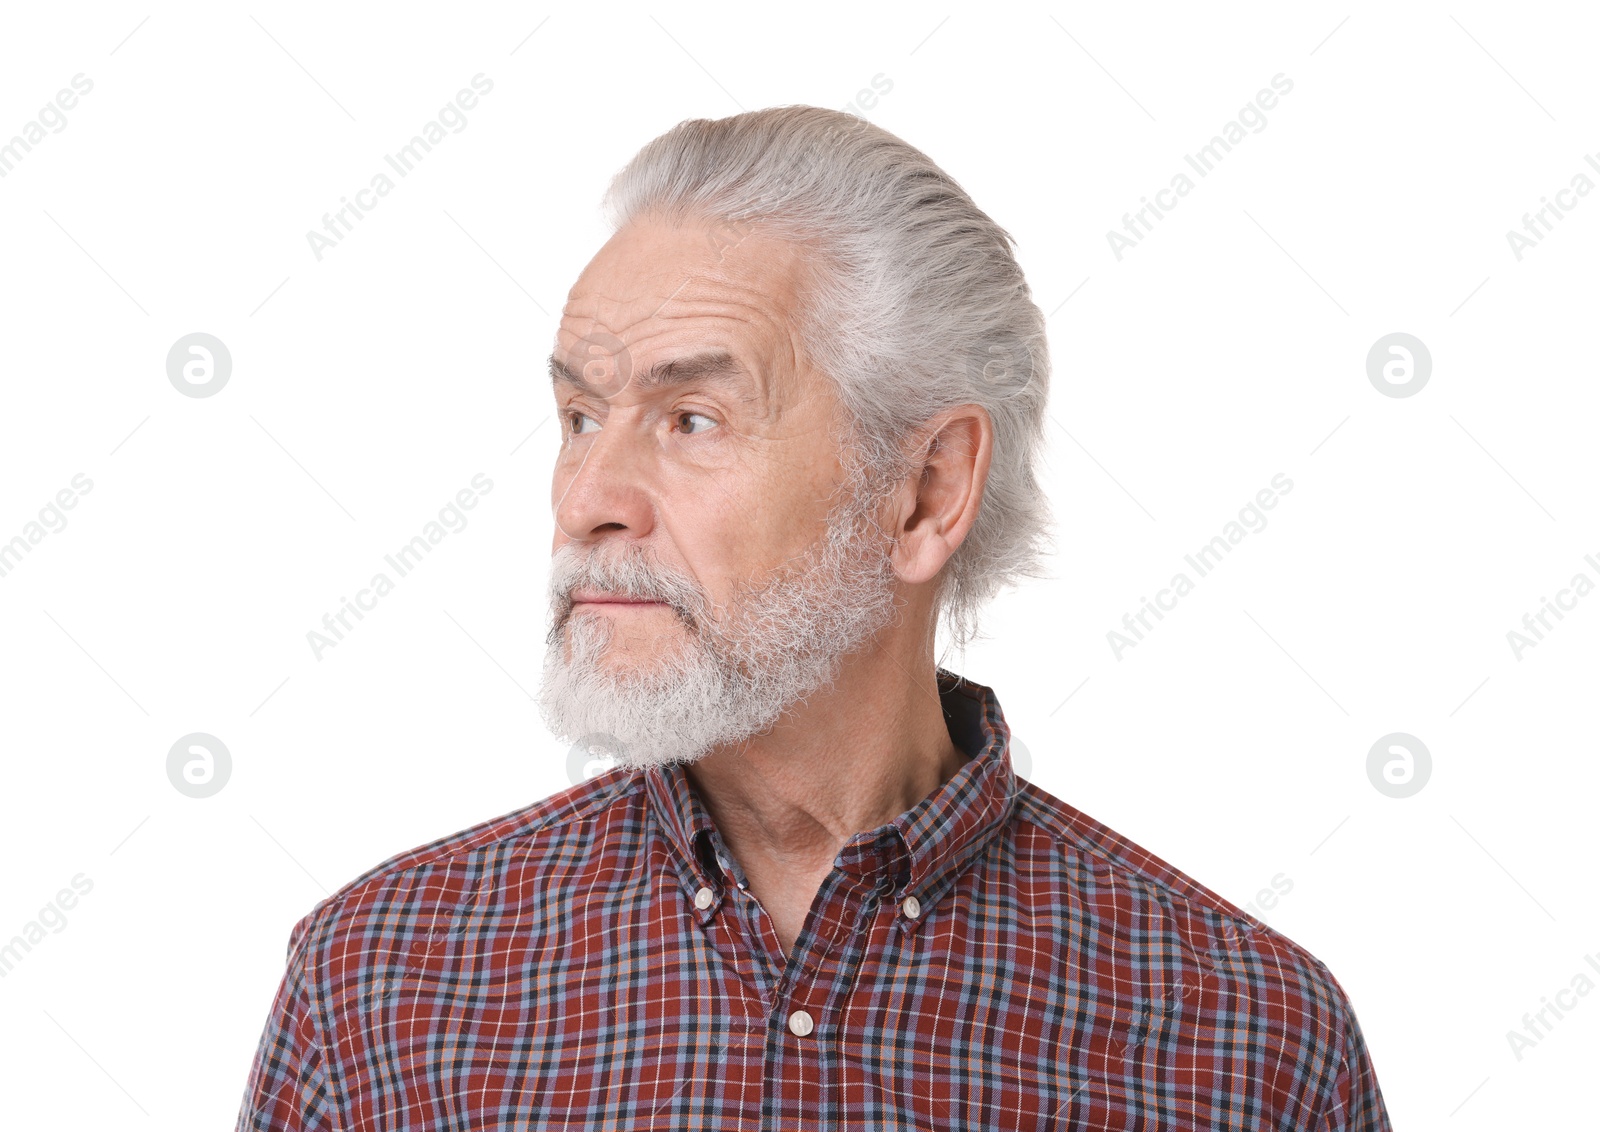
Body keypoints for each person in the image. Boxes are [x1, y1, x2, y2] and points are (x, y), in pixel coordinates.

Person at [236, 105, 1392, 1130]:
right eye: (581, 417)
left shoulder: (1252, 1046)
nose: (587, 501)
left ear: (926, 491)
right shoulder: (379, 988)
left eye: (691, 417)